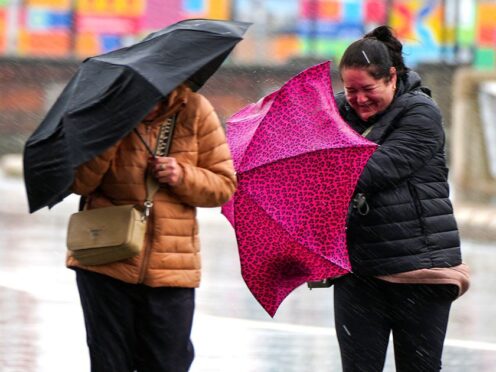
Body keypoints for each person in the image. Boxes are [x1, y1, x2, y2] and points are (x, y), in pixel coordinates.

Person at [67, 83, 236, 371]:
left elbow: (223, 186)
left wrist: (181, 175)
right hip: (105, 260)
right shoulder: (105, 111)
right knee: (109, 362)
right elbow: (79, 182)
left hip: (172, 266)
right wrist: (111, 135)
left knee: (168, 362)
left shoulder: (194, 109)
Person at [332, 26, 470, 372]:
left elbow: (370, 171)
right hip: (359, 273)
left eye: (368, 89)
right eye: (351, 90)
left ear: (392, 77)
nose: (359, 99)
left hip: (421, 273)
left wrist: (319, 164)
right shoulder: (333, 114)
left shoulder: (421, 115)